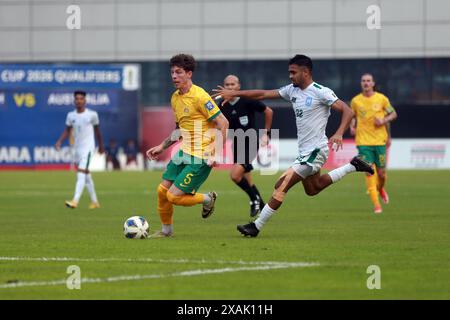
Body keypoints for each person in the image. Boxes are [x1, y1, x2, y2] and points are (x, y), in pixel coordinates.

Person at [213, 54, 374, 237]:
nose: (290, 76)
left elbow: (348, 110)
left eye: (293, 72)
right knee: (313, 189)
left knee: (282, 184)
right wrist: (235, 94)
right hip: (305, 151)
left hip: (315, 150)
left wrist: (338, 133)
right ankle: (352, 165)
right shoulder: (292, 90)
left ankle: (256, 226)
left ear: (305, 72)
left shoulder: (320, 91)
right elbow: (263, 94)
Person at [146, 54, 229, 238]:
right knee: (162, 191)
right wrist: (162, 146)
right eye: (172, 72)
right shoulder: (175, 98)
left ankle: (208, 198)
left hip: (201, 156)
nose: (174, 76)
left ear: (189, 73)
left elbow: (223, 123)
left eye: (178, 72)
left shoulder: (200, 97)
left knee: (173, 196)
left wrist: (215, 154)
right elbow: (179, 129)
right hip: (184, 152)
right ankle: (166, 231)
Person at [216, 74, 273, 217]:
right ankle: (261, 205)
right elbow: (217, 124)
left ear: (239, 86)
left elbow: (269, 111)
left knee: (235, 176)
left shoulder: (247, 100)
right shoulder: (223, 105)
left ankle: (254, 199)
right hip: (236, 143)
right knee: (247, 179)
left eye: (232, 84)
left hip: (251, 141)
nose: (230, 87)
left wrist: (267, 133)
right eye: (227, 85)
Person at [350, 73, 397, 214]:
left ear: (373, 83)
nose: (366, 83)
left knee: (381, 174)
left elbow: (393, 114)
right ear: (361, 83)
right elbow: (352, 116)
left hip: (379, 141)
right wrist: (352, 126)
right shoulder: (356, 101)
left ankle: (381, 188)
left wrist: (383, 121)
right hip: (363, 142)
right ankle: (377, 205)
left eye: (368, 81)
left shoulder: (382, 99)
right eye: (363, 81)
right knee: (369, 171)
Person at [55, 90, 104, 209]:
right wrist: (60, 141)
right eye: (77, 99)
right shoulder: (71, 116)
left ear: (85, 101)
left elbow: (98, 131)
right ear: (74, 101)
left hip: (88, 148)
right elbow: (67, 130)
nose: (79, 101)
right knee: (86, 175)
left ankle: (75, 201)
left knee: (81, 173)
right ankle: (95, 202)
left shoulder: (92, 115)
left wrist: (101, 146)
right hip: (77, 149)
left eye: (81, 99)